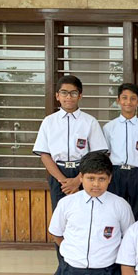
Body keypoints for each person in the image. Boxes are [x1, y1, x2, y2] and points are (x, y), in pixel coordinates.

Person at [47, 152, 134, 275]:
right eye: (90, 178)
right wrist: (69, 252)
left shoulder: (120, 205)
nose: (96, 184)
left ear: (110, 179)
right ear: (81, 177)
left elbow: (129, 239)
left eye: (101, 179)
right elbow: (57, 234)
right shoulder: (67, 203)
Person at [33, 75, 108, 210]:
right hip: (58, 174)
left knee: (85, 212)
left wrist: (77, 180)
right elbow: (44, 155)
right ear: (57, 96)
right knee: (61, 214)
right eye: (64, 93)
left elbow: (97, 155)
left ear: (80, 96)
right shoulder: (49, 122)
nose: (68, 97)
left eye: (73, 93)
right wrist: (64, 181)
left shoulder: (90, 121)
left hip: (84, 173)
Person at [103, 83, 138, 220]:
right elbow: (106, 153)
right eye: (124, 98)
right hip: (116, 172)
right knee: (115, 209)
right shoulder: (109, 127)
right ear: (118, 100)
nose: (128, 102)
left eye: (133, 98)